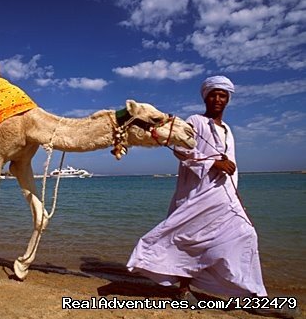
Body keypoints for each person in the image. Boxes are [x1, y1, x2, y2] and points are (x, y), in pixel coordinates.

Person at [126, 76, 298, 318]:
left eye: (223, 95)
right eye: (213, 94)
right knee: (187, 239)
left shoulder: (228, 130)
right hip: (196, 194)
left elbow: (232, 164)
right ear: (205, 97)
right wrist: (214, 163)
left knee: (245, 235)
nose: (218, 99)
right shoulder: (195, 121)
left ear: (228, 99)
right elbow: (181, 151)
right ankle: (184, 290)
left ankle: (252, 295)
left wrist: (233, 190)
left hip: (222, 196)